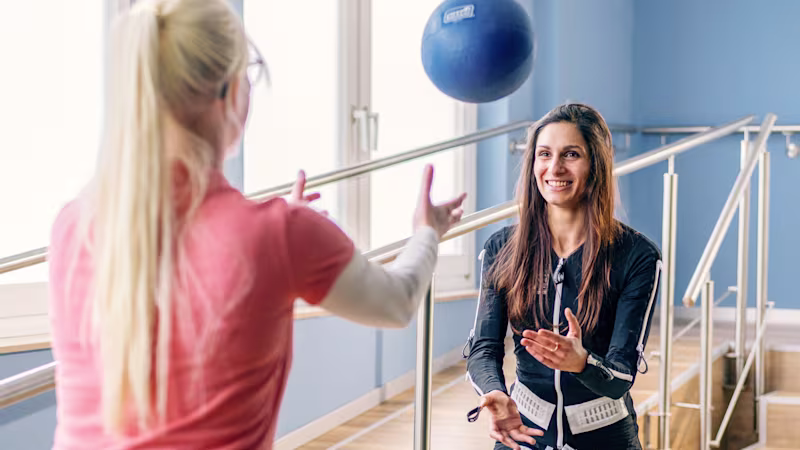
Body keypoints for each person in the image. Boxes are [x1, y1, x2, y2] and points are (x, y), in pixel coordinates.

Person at [47, 0, 465, 448]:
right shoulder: (276, 235)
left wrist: (273, 237)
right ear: (228, 89)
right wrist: (426, 229)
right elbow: (397, 301)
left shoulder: (72, 225)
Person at [466, 103, 662, 450]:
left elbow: (621, 376)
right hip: (521, 432)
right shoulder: (501, 247)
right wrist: (494, 392)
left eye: (571, 154)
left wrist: (583, 363)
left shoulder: (637, 255)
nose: (554, 168)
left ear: (596, 165)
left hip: (606, 436)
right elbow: (484, 347)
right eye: (544, 154)